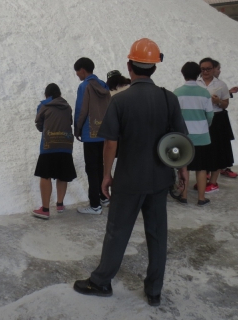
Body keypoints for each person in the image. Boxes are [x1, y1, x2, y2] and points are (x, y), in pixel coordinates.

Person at [73, 38, 187, 307]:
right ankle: (154, 290)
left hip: (129, 178)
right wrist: (182, 171)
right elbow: (180, 140)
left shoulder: (120, 100)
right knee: (157, 234)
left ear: (129, 66)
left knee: (117, 231)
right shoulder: (168, 98)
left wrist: (106, 175)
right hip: (160, 179)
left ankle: (101, 282)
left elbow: (110, 143)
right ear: (155, 67)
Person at [32, 83, 77, 219]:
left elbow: (39, 124)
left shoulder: (44, 105)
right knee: (62, 174)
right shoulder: (67, 106)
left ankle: (45, 209)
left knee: (45, 175)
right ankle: (60, 204)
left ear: (47, 94)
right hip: (65, 145)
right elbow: (70, 121)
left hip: (49, 145)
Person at [73, 57, 111, 214]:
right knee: (101, 166)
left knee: (91, 169)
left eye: (77, 71)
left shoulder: (84, 86)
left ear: (82, 70)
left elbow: (81, 110)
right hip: (104, 133)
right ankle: (104, 197)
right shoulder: (104, 85)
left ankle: (95, 205)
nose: (77, 74)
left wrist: (77, 128)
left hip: (90, 134)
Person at [173, 62, 214, 206]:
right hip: (202, 136)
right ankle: (201, 198)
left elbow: (174, 116)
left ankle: (183, 196)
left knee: (184, 167)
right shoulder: (205, 93)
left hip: (184, 137)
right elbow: (210, 115)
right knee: (201, 168)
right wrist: (205, 126)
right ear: (198, 74)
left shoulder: (177, 93)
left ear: (183, 74)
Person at [196, 58, 233, 193]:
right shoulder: (196, 83)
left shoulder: (221, 85)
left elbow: (225, 104)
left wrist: (218, 102)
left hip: (217, 120)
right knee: (203, 151)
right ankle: (202, 181)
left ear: (213, 69)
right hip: (201, 120)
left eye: (208, 69)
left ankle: (213, 182)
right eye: (203, 69)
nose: (205, 71)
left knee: (217, 150)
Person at [213, 60, 238, 179]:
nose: (219, 71)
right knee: (214, 145)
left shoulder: (220, 84)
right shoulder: (201, 83)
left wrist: (228, 93)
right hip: (212, 119)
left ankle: (223, 167)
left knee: (222, 145)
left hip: (221, 118)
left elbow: (221, 99)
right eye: (218, 68)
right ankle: (208, 171)